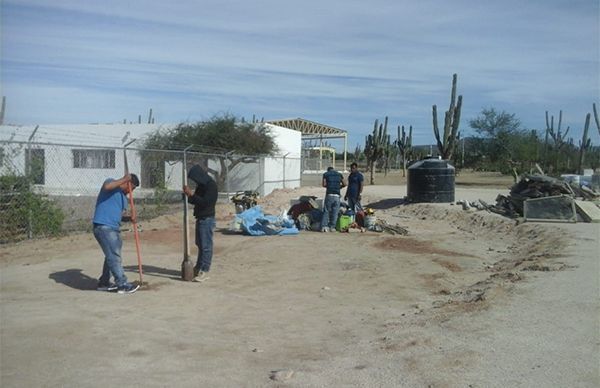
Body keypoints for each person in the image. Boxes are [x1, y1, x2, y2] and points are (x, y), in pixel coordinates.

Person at [93, 173, 140, 294]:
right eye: (131, 188)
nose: (130, 192)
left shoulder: (124, 198)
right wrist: (124, 179)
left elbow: (120, 216)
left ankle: (104, 282)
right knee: (114, 256)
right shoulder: (111, 183)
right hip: (103, 226)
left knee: (111, 255)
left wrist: (130, 218)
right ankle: (122, 284)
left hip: (114, 228)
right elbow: (107, 187)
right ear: (127, 183)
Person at [183, 165, 218, 282]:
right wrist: (188, 196)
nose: (195, 182)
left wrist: (191, 195)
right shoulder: (202, 185)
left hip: (207, 219)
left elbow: (205, 203)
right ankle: (199, 267)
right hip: (200, 218)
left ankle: (205, 270)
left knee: (206, 246)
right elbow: (196, 200)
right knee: (200, 244)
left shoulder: (211, 186)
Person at [320, 166, 345, 232]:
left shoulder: (326, 174)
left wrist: (329, 186)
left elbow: (323, 184)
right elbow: (345, 184)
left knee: (327, 211)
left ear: (328, 170)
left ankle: (324, 227)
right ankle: (332, 227)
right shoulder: (339, 174)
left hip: (329, 195)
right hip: (337, 196)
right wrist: (339, 187)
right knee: (335, 212)